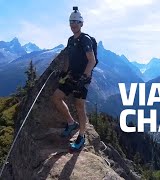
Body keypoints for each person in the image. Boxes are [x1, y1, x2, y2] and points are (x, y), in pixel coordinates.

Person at [51, 7, 96, 151]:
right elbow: (69, 59)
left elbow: (92, 61)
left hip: (83, 77)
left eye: (76, 22)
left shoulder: (85, 40)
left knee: (79, 106)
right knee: (57, 97)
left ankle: (82, 136)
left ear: (81, 24)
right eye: (71, 22)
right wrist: (64, 73)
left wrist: (84, 77)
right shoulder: (70, 40)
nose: (73, 25)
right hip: (71, 76)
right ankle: (71, 123)